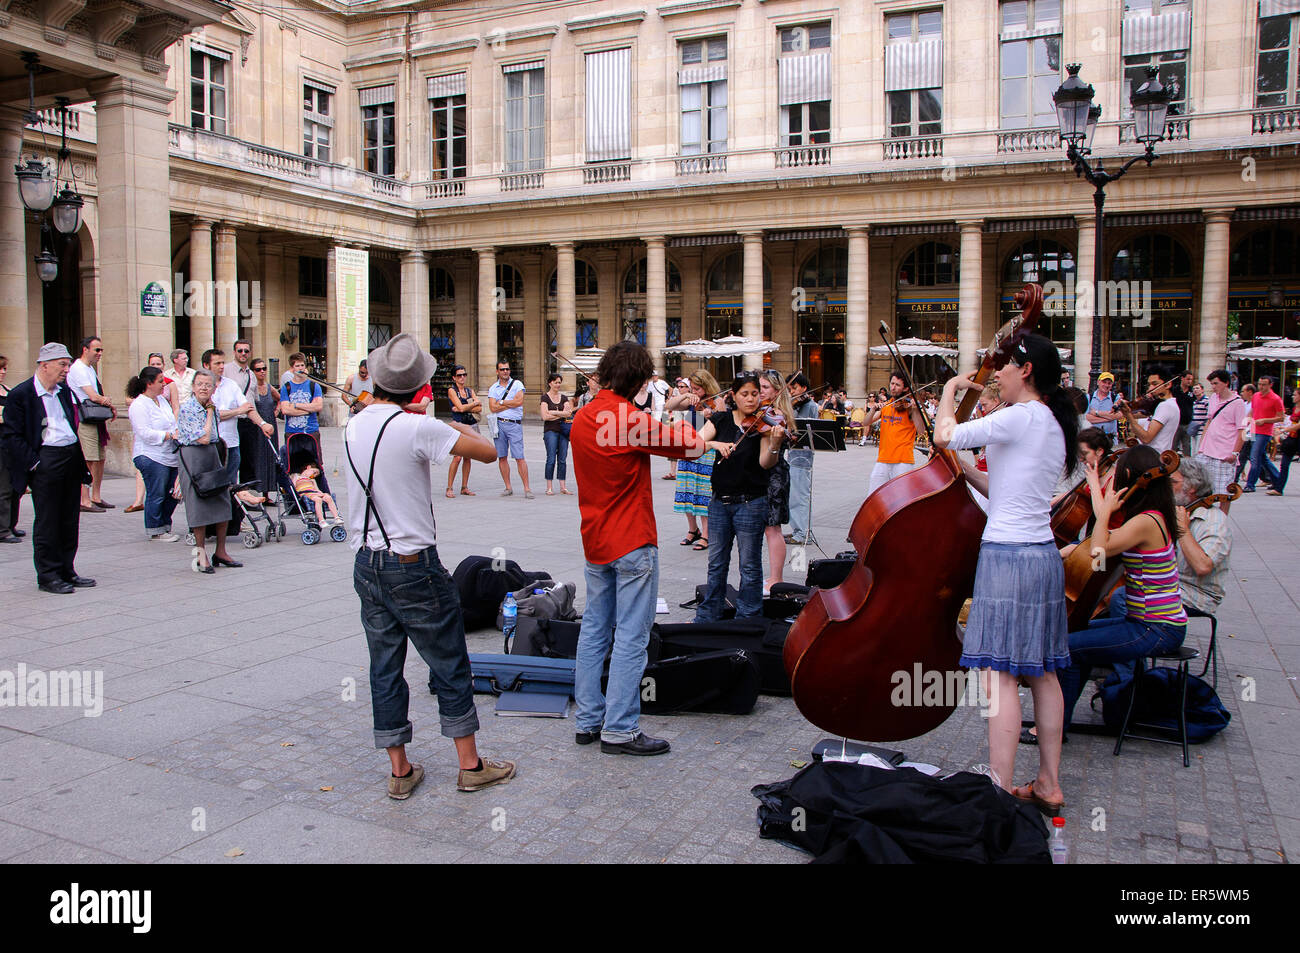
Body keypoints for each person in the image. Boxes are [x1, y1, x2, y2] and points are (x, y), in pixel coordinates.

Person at [344, 332, 513, 796]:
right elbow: (487, 449)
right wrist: (439, 421)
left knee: (384, 666)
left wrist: (414, 416)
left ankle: (400, 771)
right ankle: (470, 765)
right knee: (448, 659)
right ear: (418, 386)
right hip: (413, 565)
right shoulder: (419, 426)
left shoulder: (354, 425)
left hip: (367, 563)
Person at [933, 333, 1077, 813]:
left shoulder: (1017, 416)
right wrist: (965, 473)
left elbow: (944, 434)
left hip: (1008, 556)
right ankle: (1049, 784)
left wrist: (952, 389)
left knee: (999, 675)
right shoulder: (1053, 423)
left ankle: (997, 786)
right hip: (1041, 555)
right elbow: (1006, 488)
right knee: (1044, 674)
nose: (997, 372)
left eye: (1005, 365)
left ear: (1027, 370)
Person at [570, 341, 706, 756]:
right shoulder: (631, 418)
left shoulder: (583, 417)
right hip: (631, 538)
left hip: (595, 538)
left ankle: (588, 720)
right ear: (640, 381)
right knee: (631, 635)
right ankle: (620, 729)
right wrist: (676, 416)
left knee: (594, 629)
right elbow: (692, 445)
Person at [1057, 444, 1187, 739]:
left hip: (1155, 627)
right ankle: (1059, 720)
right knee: (1081, 634)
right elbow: (1104, 539)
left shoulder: (1145, 522)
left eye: (1117, 475)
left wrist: (1102, 514)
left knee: (1068, 647)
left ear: (1129, 475)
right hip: (1149, 621)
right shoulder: (1151, 516)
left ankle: (1054, 727)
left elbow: (1099, 550)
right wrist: (1094, 484)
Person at [1, 343, 96, 592]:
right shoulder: (21, 394)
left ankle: (67, 569)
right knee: (48, 520)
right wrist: (35, 464)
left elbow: (70, 427)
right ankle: (48, 575)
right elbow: (12, 436)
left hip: (69, 456)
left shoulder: (63, 391)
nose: (67, 370)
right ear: (44, 365)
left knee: (69, 519)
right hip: (45, 460)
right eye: (62, 365)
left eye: (67, 364)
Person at [693, 371, 786, 622]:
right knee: (716, 563)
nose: (751, 399)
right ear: (733, 395)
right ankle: (709, 613)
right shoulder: (721, 420)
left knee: (750, 565)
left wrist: (775, 443)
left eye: (755, 394)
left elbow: (766, 463)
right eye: (745, 394)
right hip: (719, 502)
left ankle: (749, 617)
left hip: (751, 502)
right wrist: (715, 445)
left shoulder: (764, 425)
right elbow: (693, 444)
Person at [176, 370, 241, 573]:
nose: (204, 388)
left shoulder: (210, 406)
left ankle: (220, 551)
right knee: (199, 507)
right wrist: (211, 413)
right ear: (193, 387)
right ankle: (201, 554)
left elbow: (214, 437)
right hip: (194, 457)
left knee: (222, 503)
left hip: (212, 455)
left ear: (213, 388)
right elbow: (203, 437)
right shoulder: (188, 408)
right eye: (200, 384)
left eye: (208, 385)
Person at [205, 348, 270, 538]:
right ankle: (210, 524)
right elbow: (214, 415)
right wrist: (235, 411)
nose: (221, 366)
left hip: (232, 444)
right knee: (213, 487)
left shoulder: (230, 385)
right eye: (217, 363)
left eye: (222, 362)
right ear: (206, 365)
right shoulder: (203, 387)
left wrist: (263, 423)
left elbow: (248, 408)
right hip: (212, 445)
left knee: (232, 483)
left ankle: (233, 521)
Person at [1169, 457, 1232, 617]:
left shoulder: (1215, 521)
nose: (1167, 488)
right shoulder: (1179, 510)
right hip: (1172, 584)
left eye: (1173, 482)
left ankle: (1151, 637)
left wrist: (1183, 530)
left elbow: (1202, 566)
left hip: (1196, 594)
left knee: (1124, 597)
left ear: (1192, 487)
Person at [667, 368, 721, 550]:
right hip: (688, 448)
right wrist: (686, 395)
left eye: (698, 389)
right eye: (693, 388)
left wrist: (703, 416)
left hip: (706, 450)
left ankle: (706, 533)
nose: (696, 392)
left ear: (707, 386)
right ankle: (693, 529)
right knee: (687, 489)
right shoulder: (692, 401)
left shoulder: (717, 401)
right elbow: (670, 406)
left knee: (704, 493)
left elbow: (721, 424)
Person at [126, 365, 181, 542]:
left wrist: (177, 432)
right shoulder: (139, 405)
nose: (164, 384)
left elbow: (172, 421)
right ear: (149, 383)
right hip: (150, 455)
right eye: (160, 381)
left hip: (169, 454)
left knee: (173, 492)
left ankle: (165, 525)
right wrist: (168, 435)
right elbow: (144, 433)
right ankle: (155, 529)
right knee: (157, 492)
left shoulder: (162, 401)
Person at [67, 335, 115, 512]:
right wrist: (108, 402)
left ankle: (96, 496)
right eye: (97, 350)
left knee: (100, 458)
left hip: (95, 416)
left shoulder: (90, 369)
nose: (100, 353)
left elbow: (97, 394)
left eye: (101, 350)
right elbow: (93, 396)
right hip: (85, 417)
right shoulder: (78, 368)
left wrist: (107, 404)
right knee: (89, 459)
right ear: (85, 350)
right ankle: (84, 499)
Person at [759, 369, 795, 594]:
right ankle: (771, 577)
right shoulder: (764, 412)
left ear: (776, 390)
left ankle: (776, 578)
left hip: (775, 474)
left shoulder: (777, 414)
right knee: (768, 528)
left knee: (773, 528)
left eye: (764, 387)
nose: (759, 391)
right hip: (765, 473)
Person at [865, 372, 927, 495]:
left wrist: (915, 410)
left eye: (897, 385)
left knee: (901, 498)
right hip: (883, 459)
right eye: (892, 383)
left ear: (905, 388)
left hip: (903, 461)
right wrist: (872, 410)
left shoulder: (910, 407)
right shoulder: (887, 405)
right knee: (873, 497)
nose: (893, 387)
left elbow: (921, 431)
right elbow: (866, 422)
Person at [1194, 369, 1246, 513]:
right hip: (1207, 450)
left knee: (1224, 491)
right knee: (1202, 487)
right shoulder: (1213, 399)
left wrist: (1235, 453)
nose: (1214, 387)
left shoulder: (1238, 403)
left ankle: (1222, 519)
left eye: (1216, 383)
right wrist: (1201, 445)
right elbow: (1209, 421)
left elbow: (1242, 430)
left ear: (1226, 383)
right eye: (1212, 384)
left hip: (1224, 452)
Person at [488, 360, 532, 498]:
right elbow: (492, 407)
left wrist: (501, 402)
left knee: (519, 457)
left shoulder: (517, 384)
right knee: (502, 457)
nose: (505, 371)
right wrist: (510, 403)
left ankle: (527, 488)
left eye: (507, 369)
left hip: (514, 424)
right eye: (502, 369)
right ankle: (508, 487)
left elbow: (519, 401)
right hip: (499, 424)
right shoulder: (493, 388)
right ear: (497, 371)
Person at [785, 371, 820, 545]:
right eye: (789, 388)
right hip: (791, 455)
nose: (791, 392)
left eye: (794, 388)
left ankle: (803, 533)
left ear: (804, 388)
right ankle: (797, 529)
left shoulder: (811, 406)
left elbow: (807, 431)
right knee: (792, 495)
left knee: (801, 496)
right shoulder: (792, 405)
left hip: (803, 457)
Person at [1118, 366, 1179, 453]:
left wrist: (1129, 415)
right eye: (1149, 385)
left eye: (1155, 384)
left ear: (1168, 385)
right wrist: (1125, 410)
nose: (1150, 389)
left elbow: (1146, 438)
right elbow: (1137, 415)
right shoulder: (1161, 405)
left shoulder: (1166, 406)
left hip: (1152, 457)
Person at [1243, 375, 1285, 493]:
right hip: (1253, 429)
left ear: (1270, 385)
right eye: (1259, 384)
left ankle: (1250, 484)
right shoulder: (1256, 396)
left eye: (1264, 385)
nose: (1261, 387)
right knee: (1262, 458)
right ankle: (1277, 480)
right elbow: (1253, 411)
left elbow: (1281, 417)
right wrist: (1246, 421)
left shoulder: (1276, 399)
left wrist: (1264, 420)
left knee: (1254, 457)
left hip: (1264, 432)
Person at [445, 364, 482, 497]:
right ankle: (449, 487)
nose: (462, 377)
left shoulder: (469, 391)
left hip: (470, 425)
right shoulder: (452, 390)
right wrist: (472, 404)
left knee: (468, 457)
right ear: (454, 377)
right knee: (457, 457)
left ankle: (464, 487)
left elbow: (479, 408)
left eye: (464, 375)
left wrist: (465, 407)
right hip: (459, 426)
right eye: (459, 375)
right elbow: (460, 408)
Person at [249, 358, 281, 497]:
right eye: (258, 369)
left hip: (270, 424)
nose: (262, 372)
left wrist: (276, 411)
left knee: (270, 456)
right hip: (257, 426)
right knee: (258, 457)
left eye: (264, 369)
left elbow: (280, 399)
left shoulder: (269, 387)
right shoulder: (251, 388)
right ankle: (256, 492)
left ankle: (267, 494)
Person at [539, 372, 574, 496]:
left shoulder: (564, 398)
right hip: (550, 431)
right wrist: (560, 414)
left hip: (563, 432)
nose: (558, 384)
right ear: (550, 383)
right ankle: (549, 487)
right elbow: (544, 416)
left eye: (559, 382)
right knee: (551, 459)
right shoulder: (545, 398)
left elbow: (568, 413)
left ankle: (563, 486)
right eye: (555, 382)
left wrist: (553, 412)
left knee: (562, 459)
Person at [280, 353, 324, 440]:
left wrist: (296, 405)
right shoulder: (286, 387)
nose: (300, 368)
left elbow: (318, 406)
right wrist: (309, 409)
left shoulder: (314, 386)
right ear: (292, 368)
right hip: (292, 431)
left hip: (311, 431)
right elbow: (285, 410)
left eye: (302, 365)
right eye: (297, 366)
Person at [1266, 389, 1300, 496]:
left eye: (1295, 395)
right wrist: (1284, 427)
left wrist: (1284, 430)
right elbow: (1293, 424)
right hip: (1292, 439)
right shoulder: (1295, 408)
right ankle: (1279, 489)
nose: (1292, 397)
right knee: (1284, 464)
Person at [0, 354, 18, 544]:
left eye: (4, 368)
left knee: (15, 487)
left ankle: (11, 524)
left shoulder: (9, 391)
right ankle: (2, 529)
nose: (2, 372)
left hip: (11, 444)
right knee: (3, 487)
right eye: (0, 369)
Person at [1233, 384, 1257, 488]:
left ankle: (1235, 478)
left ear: (1250, 392)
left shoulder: (1254, 404)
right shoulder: (1245, 403)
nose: (1242, 393)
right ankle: (1268, 477)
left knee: (1247, 456)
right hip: (1245, 431)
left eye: (1243, 391)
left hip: (1251, 432)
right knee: (1246, 455)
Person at [1086, 372, 1121, 437]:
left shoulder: (1116, 397)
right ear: (1098, 382)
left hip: (1110, 439)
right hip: (1092, 438)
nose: (1106, 385)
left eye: (1109, 383)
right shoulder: (1089, 397)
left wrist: (1096, 413)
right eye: (1104, 382)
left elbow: (1118, 415)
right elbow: (1087, 418)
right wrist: (1109, 418)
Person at [165, 348, 197, 415]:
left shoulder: (193, 373)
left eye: (187, 358)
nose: (187, 360)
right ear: (175, 360)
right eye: (184, 359)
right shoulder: (167, 375)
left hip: (191, 410)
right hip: (173, 411)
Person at [1172, 369, 1196, 456]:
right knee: (1173, 445)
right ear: (1182, 378)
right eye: (1188, 379)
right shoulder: (1175, 390)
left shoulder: (1192, 392)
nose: (1189, 381)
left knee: (1187, 446)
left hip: (1187, 423)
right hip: (1176, 423)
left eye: (1191, 379)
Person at [1188, 381, 1209, 452]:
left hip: (1201, 430)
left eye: (1197, 388)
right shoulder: (1194, 402)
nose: (1195, 390)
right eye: (1194, 389)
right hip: (1194, 430)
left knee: (1198, 450)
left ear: (1202, 390)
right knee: (1193, 451)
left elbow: (1209, 415)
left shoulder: (1206, 401)